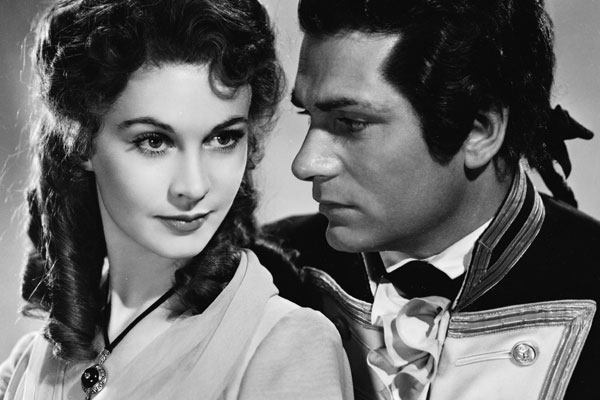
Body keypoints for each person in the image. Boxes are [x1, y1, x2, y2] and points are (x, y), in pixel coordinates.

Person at [0, 0, 353, 399]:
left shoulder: (286, 346)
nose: (193, 186)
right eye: (154, 141)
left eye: (223, 138)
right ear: (81, 142)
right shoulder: (31, 364)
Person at [265, 0, 600, 399]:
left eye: (351, 123)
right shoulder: (268, 271)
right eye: (309, 117)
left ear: (479, 131)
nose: (305, 163)